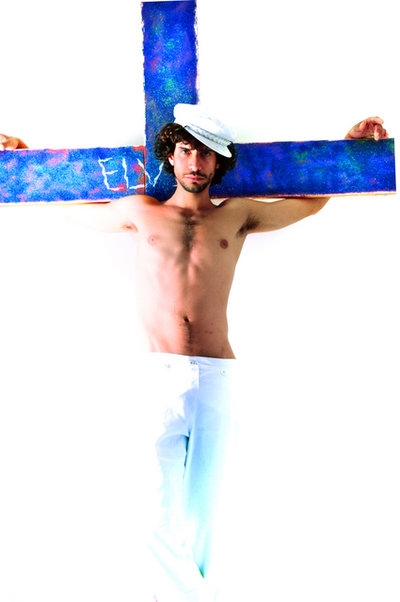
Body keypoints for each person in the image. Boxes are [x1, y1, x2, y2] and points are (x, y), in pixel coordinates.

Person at [0, 107, 389, 602]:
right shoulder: (140, 211)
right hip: (157, 375)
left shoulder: (236, 214)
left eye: (206, 153)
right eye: (186, 150)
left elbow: (310, 203)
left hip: (216, 375)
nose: (195, 162)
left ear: (218, 161)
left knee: (209, 515)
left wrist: (350, 148)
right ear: (171, 154)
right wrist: (23, 157)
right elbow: (65, 203)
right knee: (149, 515)